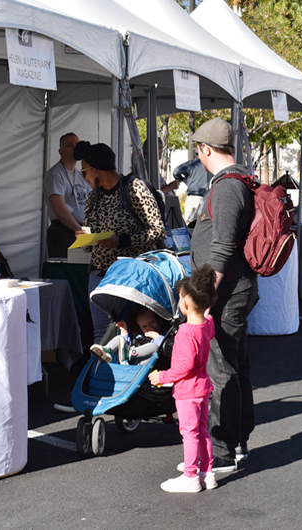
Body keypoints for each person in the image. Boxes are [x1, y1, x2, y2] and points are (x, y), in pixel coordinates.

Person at [190, 117, 258, 472]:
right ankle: (238, 440)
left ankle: (222, 451)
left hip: (227, 292)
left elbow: (221, 249)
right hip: (235, 290)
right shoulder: (235, 182)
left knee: (223, 370)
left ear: (205, 149)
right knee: (236, 366)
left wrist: (206, 297)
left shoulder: (228, 187)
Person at [78, 141, 166, 344]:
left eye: (84, 172)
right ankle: (102, 374)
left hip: (131, 275)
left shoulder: (134, 187)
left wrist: (121, 241)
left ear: (97, 170)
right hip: (100, 274)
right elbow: (88, 246)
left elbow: (157, 230)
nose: (84, 178)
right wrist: (84, 238)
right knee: (101, 334)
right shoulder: (93, 198)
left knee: (132, 331)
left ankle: (131, 373)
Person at [149, 264, 217, 493]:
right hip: (203, 388)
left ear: (186, 304)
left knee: (189, 434)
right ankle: (207, 473)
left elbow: (183, 366)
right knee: (203, 431)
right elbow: (209, 321)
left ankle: (190, 476)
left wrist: (162, 376)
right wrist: (206, 313)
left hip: (188, 392)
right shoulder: (206, 327)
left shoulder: (186, 333)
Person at [44, 132, 91, 258]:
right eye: (69, 145)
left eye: (77, 144)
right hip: (63, 231)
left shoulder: (81, 176)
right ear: (61, 152)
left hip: (79, 229)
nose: (74, 148)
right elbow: (60, 212)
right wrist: (80, 231)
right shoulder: (55, 175)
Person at [89, 305, 168, 364]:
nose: (149, 327)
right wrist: (124, 332)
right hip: (127, 359)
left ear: (159, 320)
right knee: (120, 338)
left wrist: (156, 336)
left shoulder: (163, 335)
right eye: (144, 326)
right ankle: (107, 350)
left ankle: (130, 354)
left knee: (154, 346)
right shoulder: (140, 336)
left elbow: (164, 345)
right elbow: (125, 345)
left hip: (142, 363)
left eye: (152, 322)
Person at [173, 157, 213, 226]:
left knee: (189, 223)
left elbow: (176, 171)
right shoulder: (212, 164)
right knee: (206, 224)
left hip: (193, 198)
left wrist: (185, 180)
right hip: (208, 197)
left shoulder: (193, 164)